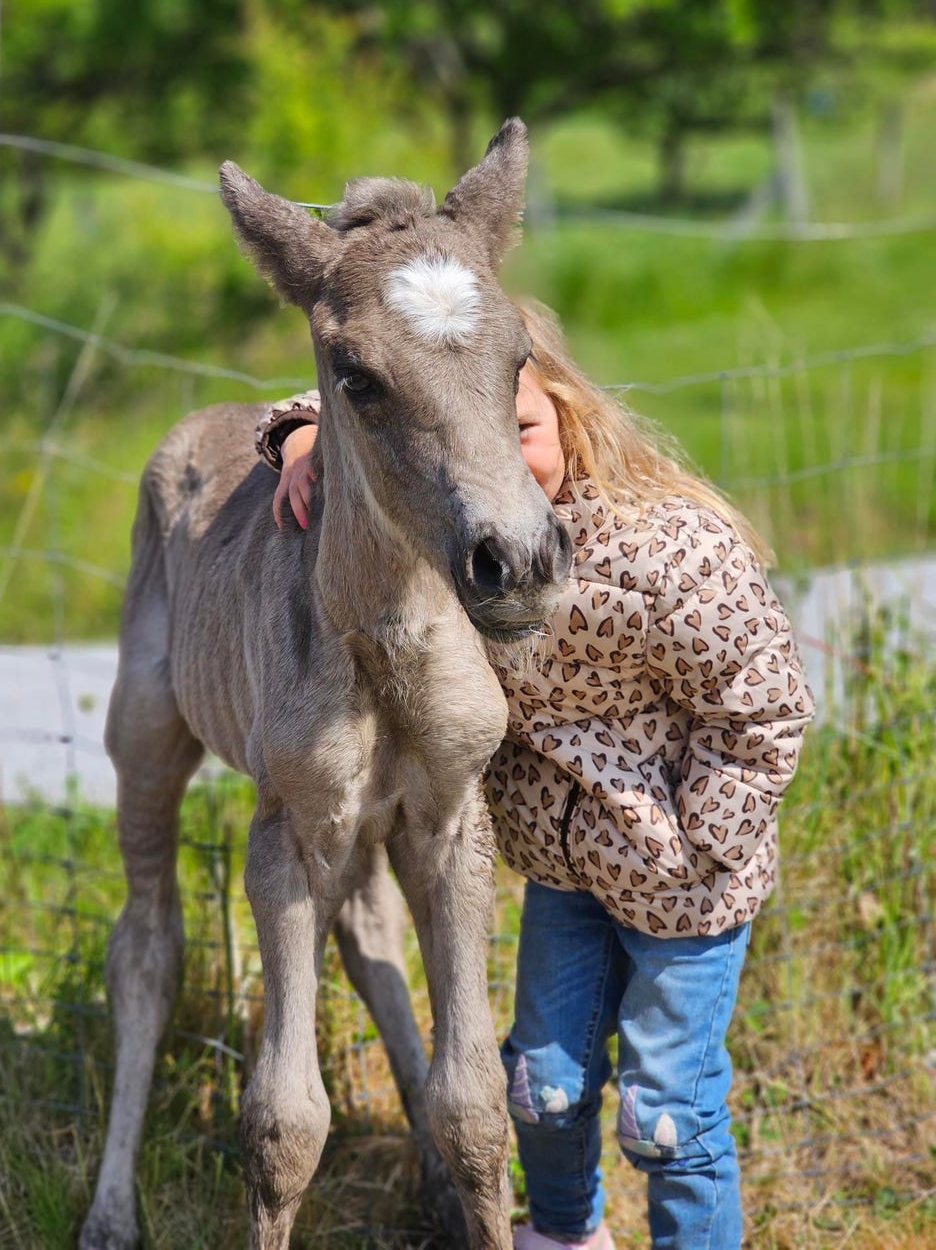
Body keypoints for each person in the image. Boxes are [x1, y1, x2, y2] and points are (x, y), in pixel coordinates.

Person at [253, 301, 815, 1250]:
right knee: (541, 1088)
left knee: (665, 1113)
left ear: (571, 411)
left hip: (684, 887)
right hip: (565, 878)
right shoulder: (473, 546)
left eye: (520, 432)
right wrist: (303, 432)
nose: (494, 464)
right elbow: (386, 391)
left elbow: (765, 705)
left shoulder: (665, 556)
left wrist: (698, 841)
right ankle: (562, 1235)